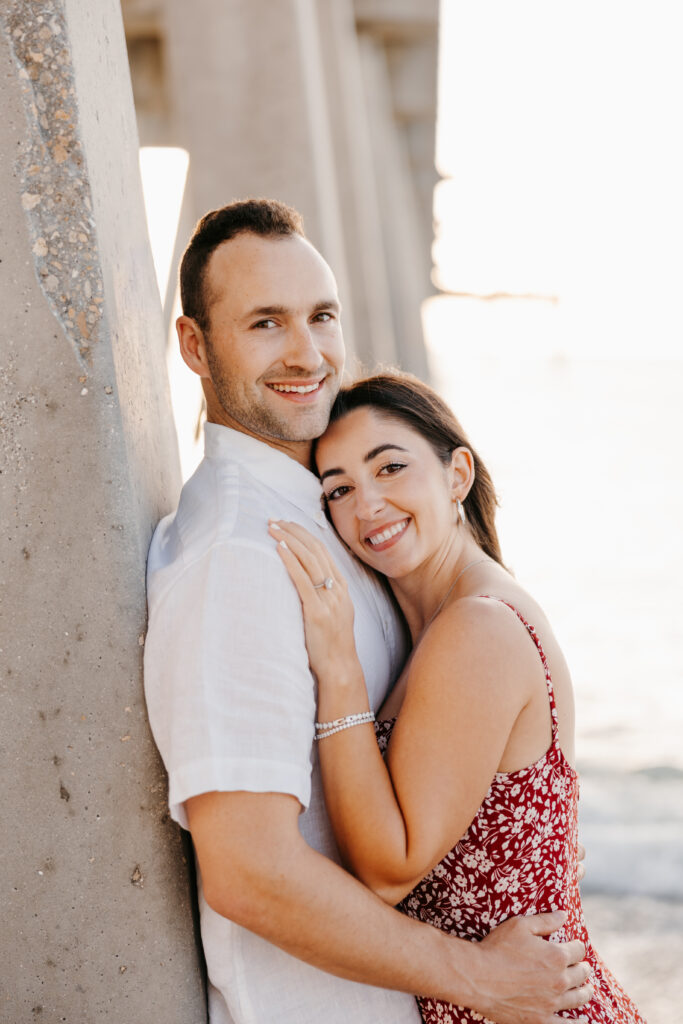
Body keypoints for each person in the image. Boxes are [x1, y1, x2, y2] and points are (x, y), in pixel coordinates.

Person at [143, 198, 593, 1024]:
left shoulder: (328, 531)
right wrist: (477, 976)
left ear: (454, 474)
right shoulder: (239, 561)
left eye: (320, 316)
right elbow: (248, 870)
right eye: (265, 324)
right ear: (194, 347)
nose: (307, 351)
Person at [268, 372, 646, 1023]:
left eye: (390, 468)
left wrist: (338, 670)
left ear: (456, 475)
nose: (367, 506)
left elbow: (389, 873)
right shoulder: (447, 623)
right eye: (339, 489)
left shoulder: (478, 627)